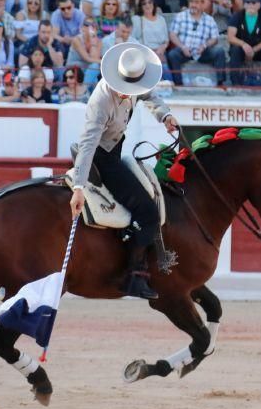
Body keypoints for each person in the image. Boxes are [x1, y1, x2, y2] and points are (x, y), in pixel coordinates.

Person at [70, 43, 179, 299]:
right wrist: (78, 187)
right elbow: (87, 146)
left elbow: (150, 96)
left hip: (114, 150)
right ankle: (134, 276)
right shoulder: (101, 101)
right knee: (149, 213)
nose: (126, 92)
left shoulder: (135, 85)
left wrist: (165, 116)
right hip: (101, 156)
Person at [166, 0, 226, 86]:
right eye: (191, 2)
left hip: (202, 52)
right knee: (173, 54)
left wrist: (205, 45)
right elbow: (172, 34)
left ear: (202, 4)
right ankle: (178, 84)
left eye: (196, 2)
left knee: (219, 52)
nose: (193, 5)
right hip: (185, 50)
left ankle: (220, 83)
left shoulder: (209, 20)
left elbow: (215, 38)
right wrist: (182, 47)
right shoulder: (180, 16)